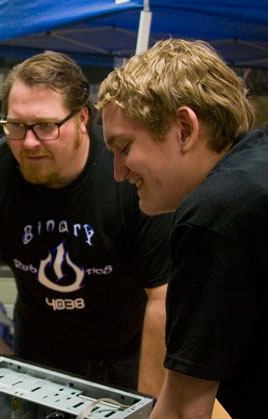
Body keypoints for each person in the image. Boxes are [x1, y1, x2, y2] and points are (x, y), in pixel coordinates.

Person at [0, 52, 172, 393]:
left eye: (46, 126)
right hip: (35, 355)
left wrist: (151, 405)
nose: (29, 142)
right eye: (16, 126)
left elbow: (163, 298)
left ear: (82, 119)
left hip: (125, 359)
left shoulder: (127, 176)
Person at [97, 39, 267, 418]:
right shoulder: (256, 172)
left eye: (124, 147)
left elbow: (186, 407)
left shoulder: (216, 213)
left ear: (185, 128)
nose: (118, 172)